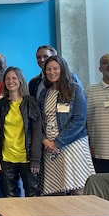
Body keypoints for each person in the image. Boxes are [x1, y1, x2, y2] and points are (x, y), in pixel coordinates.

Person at [40, 56, 95, 195]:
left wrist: (58, 142)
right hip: (50, 147)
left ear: (62, 69)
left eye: (55, 69)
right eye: (48, 69)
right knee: (56, 190)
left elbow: (79, 119)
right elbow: (39, 121)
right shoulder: (44, 93)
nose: (52, 72)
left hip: (72, 144)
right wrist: (46, 141)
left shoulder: (75, 89)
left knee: (78, 189)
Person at [0, 67, 43, 197]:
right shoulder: (0, 105)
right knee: (10, 197)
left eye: (14, 78)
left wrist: (36, 159)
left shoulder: (31, 102)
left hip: (27, 158)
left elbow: (37, 133)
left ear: (20, 81)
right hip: (6, 159)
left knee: (33, 196)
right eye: (7, 78)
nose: (10, 81)